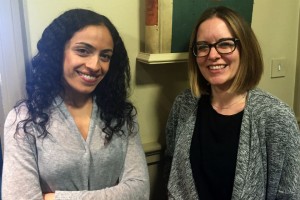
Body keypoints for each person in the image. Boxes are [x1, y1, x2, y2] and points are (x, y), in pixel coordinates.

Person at [2, 8, 149, 200]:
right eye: (83, 51)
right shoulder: (24, 119)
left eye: (105, 56)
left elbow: (139, 190)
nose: (95, 65)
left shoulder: (121, 115)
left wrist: (56, 198)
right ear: (58, 52)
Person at [164, 6, 300, 200]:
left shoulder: (276, 117)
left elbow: (289, 194)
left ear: (245, 49)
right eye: (203, 46)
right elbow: (171, 171)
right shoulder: (183, 105)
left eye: (225, 44)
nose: (212, 55)